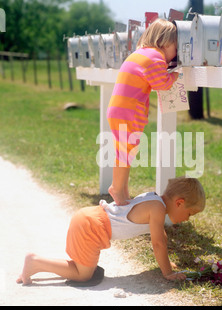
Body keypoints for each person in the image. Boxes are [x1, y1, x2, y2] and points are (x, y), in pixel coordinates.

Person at [16, 177, 205, 285]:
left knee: (81, 267)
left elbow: (160, 238)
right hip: (92, 227)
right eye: (189, 213)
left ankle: (38, 263)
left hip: (89, 219)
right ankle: (35, 263)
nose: (187, 219)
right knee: (83, 275)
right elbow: (158, 243)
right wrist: (167, 273)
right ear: (179, 203)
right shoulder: (157, 209)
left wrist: (167, 264)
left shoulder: (153, 199)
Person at [107, 18, 179, 205]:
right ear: (165, 42)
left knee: (125, 151)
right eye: (176, 48)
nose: (176, 54)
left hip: (120, 109)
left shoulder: (140, 54)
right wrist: (175, 75)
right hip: (129, 112)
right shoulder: (155, 57)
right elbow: (162, 84)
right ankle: (116, 188)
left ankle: (122, 190)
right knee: (125, 152)